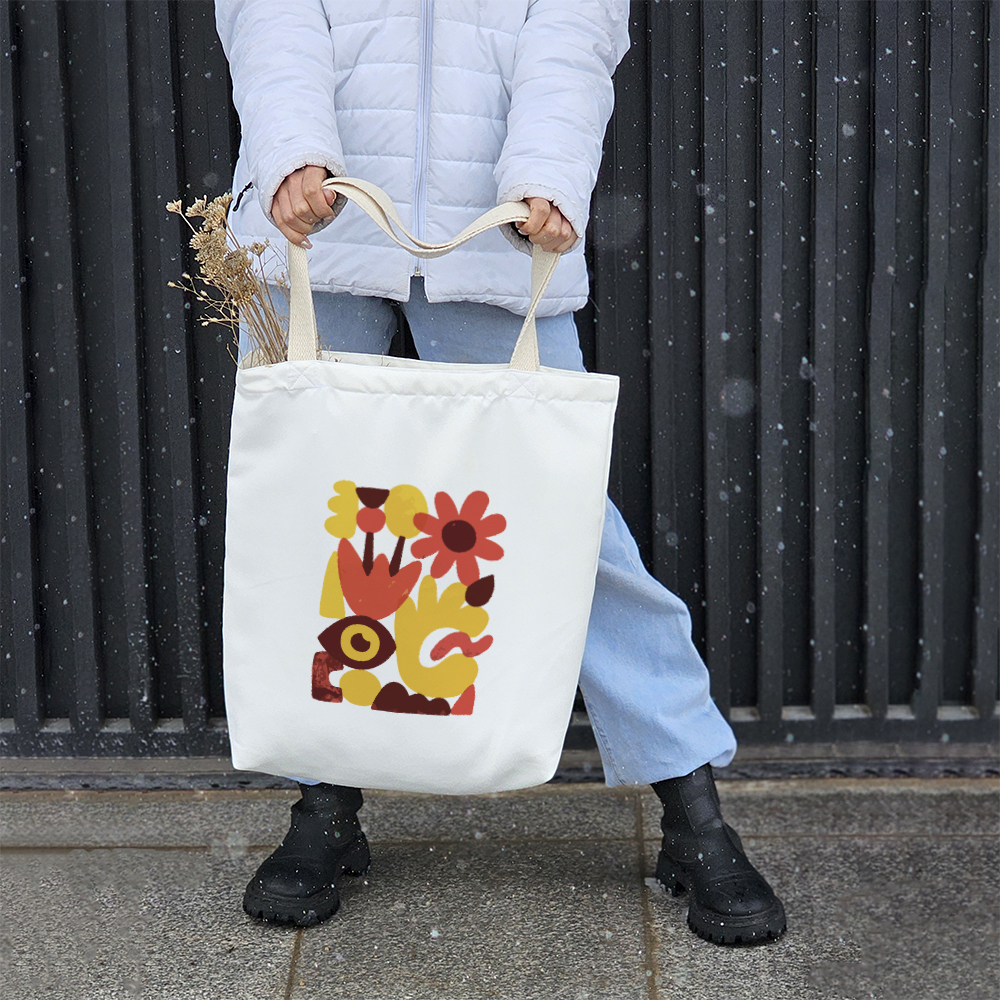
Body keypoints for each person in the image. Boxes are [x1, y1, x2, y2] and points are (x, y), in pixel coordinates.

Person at [215, 0, 786, 946]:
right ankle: (323, 802)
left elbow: (573, 27)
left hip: (496, 232)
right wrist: (291, 153)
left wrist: (548, 174)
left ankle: (693, 812)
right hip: (316, 228)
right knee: (317, 532)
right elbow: (272, 14)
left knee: (568, 530)